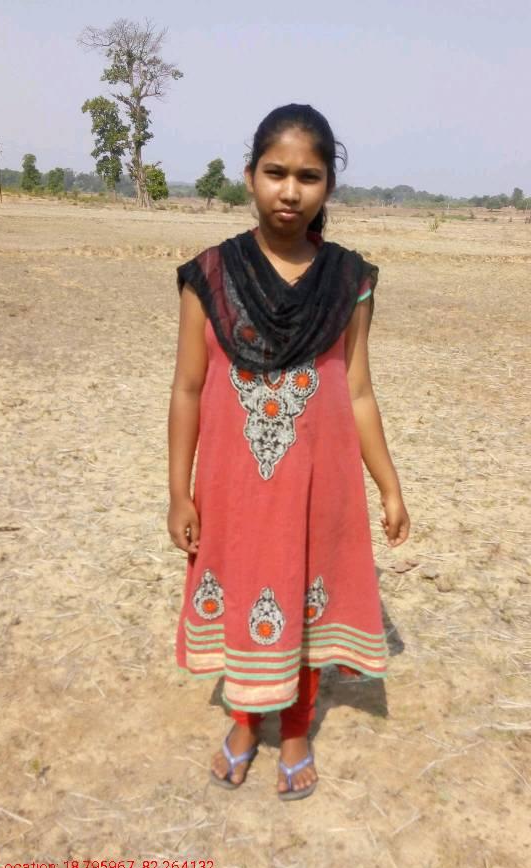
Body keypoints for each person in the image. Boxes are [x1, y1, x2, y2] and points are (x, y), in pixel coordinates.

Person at [167, 103, 410, 801]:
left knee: (303, 600)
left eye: (308, 176)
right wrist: (178, 491)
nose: (290, 191)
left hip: (316, 483)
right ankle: (246, 722)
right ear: (250, 176)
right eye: (276, 173)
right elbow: (188, 388)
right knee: (245, 589)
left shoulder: (349, 280)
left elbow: (357, 390)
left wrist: (389, 485)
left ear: (328, 185)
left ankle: (297, 729)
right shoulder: (208, 275)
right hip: (235, 485)